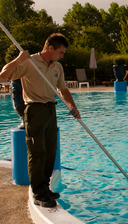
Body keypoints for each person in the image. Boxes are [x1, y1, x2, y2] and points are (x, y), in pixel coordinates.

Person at [0, 33, 80, 208]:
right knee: (38, 154)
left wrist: (73, 107)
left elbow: (63, 89)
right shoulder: (30, 62)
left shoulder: (57, 66)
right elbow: (3, 75)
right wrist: (18, 59)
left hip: (51, 110)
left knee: (50, 152)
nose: (62, 56)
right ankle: (38, 193)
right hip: (35, 110)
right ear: (50, 48)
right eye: (61, 52)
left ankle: (45, 188)